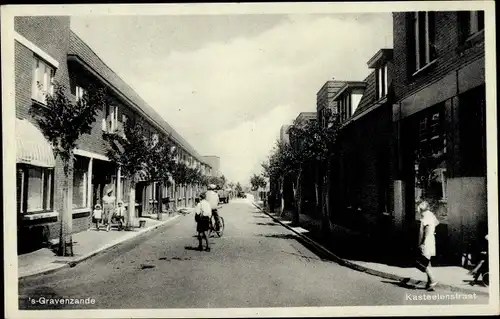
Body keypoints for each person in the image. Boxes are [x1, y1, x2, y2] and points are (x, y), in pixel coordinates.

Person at [415, 201, 440, 291]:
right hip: (431, 239)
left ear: (421, 209)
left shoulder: (424, 217)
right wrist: (432, 230)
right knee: (427, 261)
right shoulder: (431, 215)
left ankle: (433, 280)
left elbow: (422, 232)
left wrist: (420, 243)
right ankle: (429, 283)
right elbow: (437, 222)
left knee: (420, 262)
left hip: (426, 241)